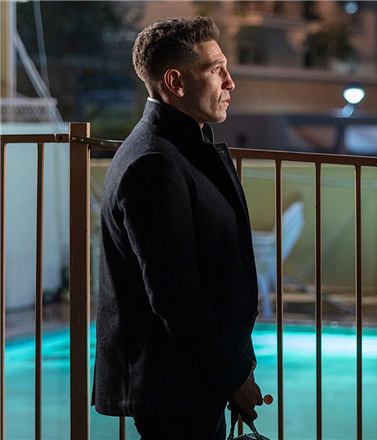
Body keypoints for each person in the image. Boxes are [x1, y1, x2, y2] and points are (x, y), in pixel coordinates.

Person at [93, 17, 263, 440]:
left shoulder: (177, 150)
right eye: (215, 70)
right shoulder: (154, 163)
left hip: (194, 377)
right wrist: (233, 377)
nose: (230, 82)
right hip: (175, 386)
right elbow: (175, 295)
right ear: (176, 82)